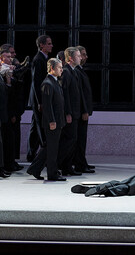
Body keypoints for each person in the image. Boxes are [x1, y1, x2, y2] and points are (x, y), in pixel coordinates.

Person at [26, 58, 66, 181]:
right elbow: (47, 106)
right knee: (52, 149)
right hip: (52, 122)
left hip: (57, 120)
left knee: (49, 147)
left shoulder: (55, 82)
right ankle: (52, 173)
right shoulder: (48, 83)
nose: (61, 70)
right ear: (52, 68)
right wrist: (51, 121)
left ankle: (35, 168)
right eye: (59, 67)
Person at [58, 47, 86, 176]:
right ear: (70, 58)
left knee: (72, 140)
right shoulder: (66, 72)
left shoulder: (73, 71)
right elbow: (65, 94)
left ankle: (67, 167)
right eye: (78, 56)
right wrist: (68, 113)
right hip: (70, 113)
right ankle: (59, 164)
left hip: (75, 112)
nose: (80, 58)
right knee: (69, 140)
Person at [27, 35, 53, 162]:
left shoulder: (44, 58)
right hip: (39, 100)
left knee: (35, 127)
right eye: (49, 43)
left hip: (39, 99)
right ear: (41, 45)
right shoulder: (38, 59)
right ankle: (42, 156)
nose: (51, 46)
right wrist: (40, 102)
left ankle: (31, 153)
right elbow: (37, 82)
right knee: (40, 126)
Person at [74, 45, 94, 173]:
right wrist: (84, 110)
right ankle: (80, 164)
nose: (86, 57)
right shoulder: (76, 71)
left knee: (81, 139)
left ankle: (82, 162)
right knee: (79, 139)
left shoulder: (80, 70)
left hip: (83, 110)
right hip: (81, 111)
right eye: (83, 54)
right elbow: (80, 93)